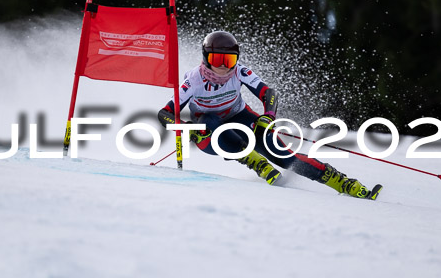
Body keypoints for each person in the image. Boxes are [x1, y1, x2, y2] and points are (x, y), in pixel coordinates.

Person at [157, 31, 382, 200]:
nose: (224, 68)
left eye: (230, 60)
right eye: (218, 60)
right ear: (206, 58)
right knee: (210, 120)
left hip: (240, 118)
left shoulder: (240, 71)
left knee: (284, 157)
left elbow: (268, 93)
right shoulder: (193, 81)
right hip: (208, 133)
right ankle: (256, 163)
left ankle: (344, 183)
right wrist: (185, 128)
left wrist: (268, 117)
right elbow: (165, 113)